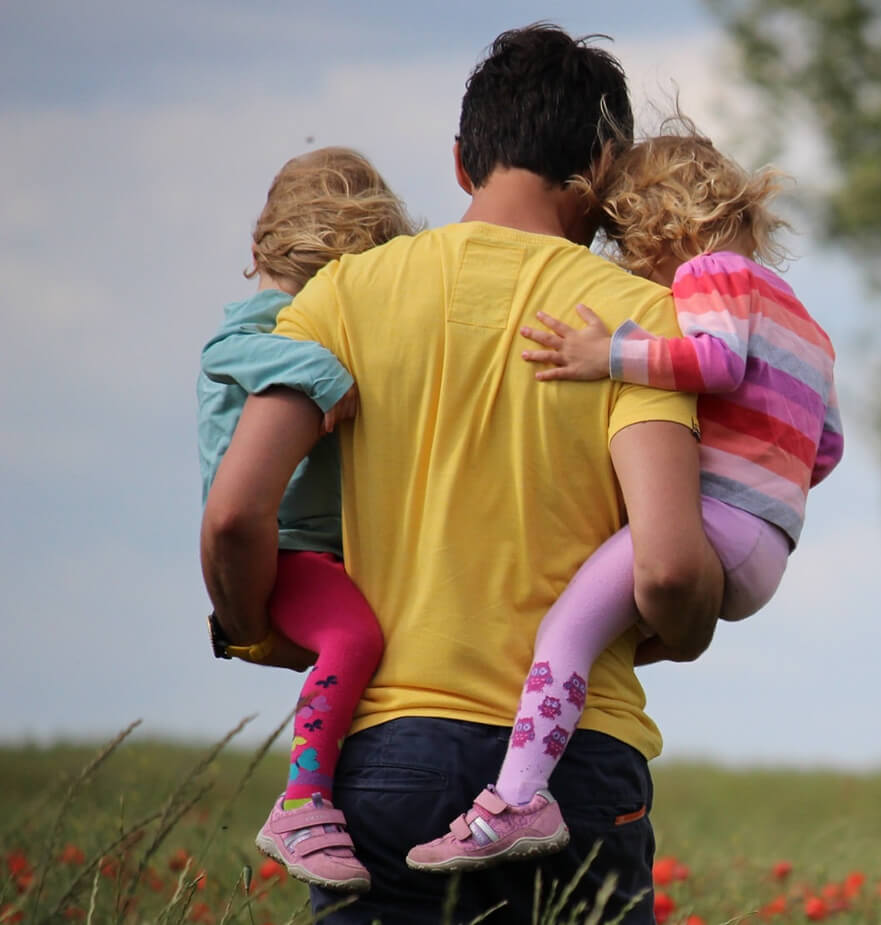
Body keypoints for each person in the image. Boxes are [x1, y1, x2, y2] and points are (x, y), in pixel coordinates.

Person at [201, 23, 723, 924]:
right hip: (576, 765)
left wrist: (255, 628)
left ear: (459, 162)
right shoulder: (640, 323)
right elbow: (671, 568)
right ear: (604, 169)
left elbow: (233, 516)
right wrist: (687, 625)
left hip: (387, 759)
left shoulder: (340, 296)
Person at [407, 125, 843, 872]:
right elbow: (826, 448)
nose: (637, 269)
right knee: (605, 633)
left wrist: (607, 353)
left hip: (716, 522)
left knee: (564, 632)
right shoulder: (806, 322)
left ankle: (517, 799)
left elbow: (715, 362)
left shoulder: (710, 273)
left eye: (631, 246)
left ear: (663, 227)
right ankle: (543, 758)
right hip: (769, 545)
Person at [198, 146, 414, 892]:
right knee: (355, 638)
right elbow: (226, 350)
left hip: (319, 549)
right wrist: (323, 371)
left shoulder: (297, 317)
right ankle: (302, 800)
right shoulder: (266, 324)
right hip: (286, 548)